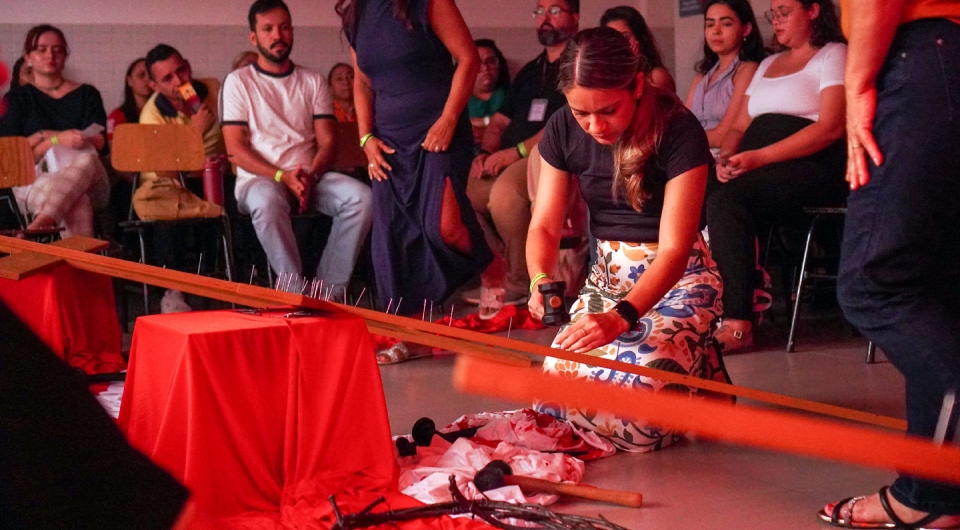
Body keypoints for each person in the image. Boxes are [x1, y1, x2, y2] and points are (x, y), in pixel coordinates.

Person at [528, 27, 728, 452]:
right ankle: (697, 363)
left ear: (637, 85)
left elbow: (674, 249)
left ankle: (694, 364)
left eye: (608, 110)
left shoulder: (678, 129)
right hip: (607, 280)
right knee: (553, 405)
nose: (595, 126)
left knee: (637, 425)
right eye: (581, 113)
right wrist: (538, 280)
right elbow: (544, 224)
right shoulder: (562, 126)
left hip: (678, 280)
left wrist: (620, 317)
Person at [818, 1, 960, 528]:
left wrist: (858, 86)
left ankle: (932, 493)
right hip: (944, 56)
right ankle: (933, 494)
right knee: (933, 290)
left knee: (874, 285)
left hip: (921, 57)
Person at [706, 0, 848, 352]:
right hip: (757, 167)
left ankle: (738, 322)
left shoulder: (833, 54)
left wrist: (759, 157)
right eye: (774, 14)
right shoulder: (768, 63)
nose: (777, 21)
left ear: (813, 10)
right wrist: (726, 159)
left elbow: (830, 127)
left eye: (785, 12)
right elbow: (738, 126)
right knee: (692, 187)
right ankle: (691, 306)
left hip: (814, 166)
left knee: (728, 201)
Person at [337, 0, 492, 312]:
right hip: (387, 142)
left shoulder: (429, 3)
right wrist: (365, 138)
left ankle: (493, 268)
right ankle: (407, 322)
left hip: (438, 132)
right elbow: (362, 83)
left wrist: (449, 119)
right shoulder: (355, 12)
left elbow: (468, 58)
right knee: (393, 238)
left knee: (444, 227)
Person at [223, 0, 373, 301]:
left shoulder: (313, 80)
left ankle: (325, 294)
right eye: (268, 29)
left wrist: (310, 177)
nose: (277, 35)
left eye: (284, 27)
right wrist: (283, 176)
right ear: (254, 37)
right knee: (265, 201)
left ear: (292, 31)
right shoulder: (238, 82)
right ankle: (293, 292)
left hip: (310, 177)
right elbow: (235, 149)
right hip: (260, 180)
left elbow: (328, 142)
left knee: (362, 199)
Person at [466, 0, 580, 307]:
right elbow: (499, 121)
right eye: (539, 11)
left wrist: (514, 153)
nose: (545, 17)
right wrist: (485, 151)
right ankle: (502, 267)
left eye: (554, 10)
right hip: (506, 154)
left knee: (504, 197)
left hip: (544, 156)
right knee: (460, 198)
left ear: (575, 16)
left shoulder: (578, 64)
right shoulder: (531, 70)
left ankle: (519, 282)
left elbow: (566, 121)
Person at [135, 44, 227, 313]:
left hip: (213, 175)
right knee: (168, 218)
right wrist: (194, 132)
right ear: (153, 85)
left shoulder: (211, 90)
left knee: (243, 200)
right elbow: (167, 169)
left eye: (182, 71)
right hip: (168, 182)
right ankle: (172, 291)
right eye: (167, 78)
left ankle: (235, 282)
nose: (179, 81)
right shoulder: (152, 115)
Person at [0, 25, 109, 237]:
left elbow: (101, 143)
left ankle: (39, 226)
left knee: (86, 161)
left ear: (65, 55)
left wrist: (80, 139)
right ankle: (72, 254)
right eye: (42, 50)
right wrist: (54, 139)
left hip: (90, 178)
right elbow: (13, 158)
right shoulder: (17, 99)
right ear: (28, 57)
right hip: (34, 181)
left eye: (57, 50)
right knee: (78, 201)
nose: (50, 55)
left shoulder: (87, 94)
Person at [684, 0, 765, 153]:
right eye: (710, 25)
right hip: (689, 153)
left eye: (726, 24)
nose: (716, 31)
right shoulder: (700, 78)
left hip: (720, 155)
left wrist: (682, 141)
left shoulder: (747, 70)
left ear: (746, 29)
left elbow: (723, 135)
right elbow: (680, 125)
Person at [600, 6, 677, 93]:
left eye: (625, 37)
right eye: (612, 38)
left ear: (640, 38)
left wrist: (633, 66)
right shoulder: (605, 78)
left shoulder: (656, 77)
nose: (619, 43)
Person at [468, 38, 510, 146]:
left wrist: (481, 123)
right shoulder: (456, 98)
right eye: (477, 62)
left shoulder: (513, 93)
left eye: (491, 61)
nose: (485, 68)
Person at [106, 57, 152, 143]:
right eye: (141, 75)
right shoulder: (117, 116)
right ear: (129, 80)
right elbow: (115, 149)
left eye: (151, 76)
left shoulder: (166, 111)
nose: (147, 80)